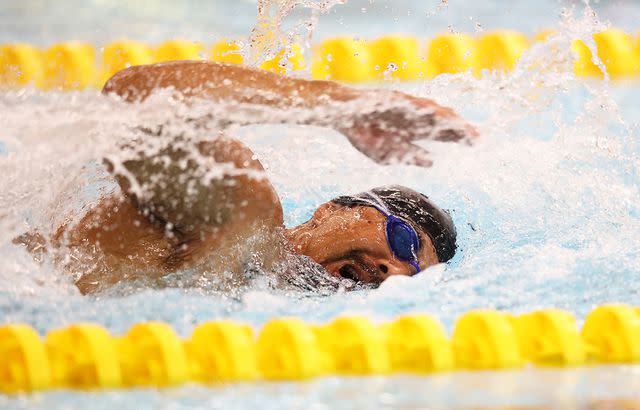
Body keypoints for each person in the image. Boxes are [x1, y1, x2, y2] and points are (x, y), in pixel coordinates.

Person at [16, 60, 476, 294]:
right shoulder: (243, 210)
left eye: (409, 275)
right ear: (330, 210)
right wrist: (335, 103)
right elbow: (133, 101)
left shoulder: (269, 298)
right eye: (402, 240)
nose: (390, 270)